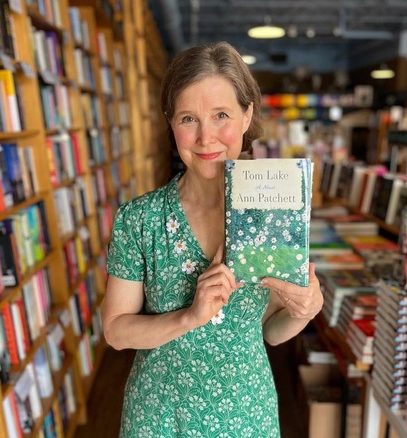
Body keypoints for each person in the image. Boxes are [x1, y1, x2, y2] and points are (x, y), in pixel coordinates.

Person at [102, 41, 324, 437]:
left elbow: (270, 330)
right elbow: (116, 330)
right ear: (171, 123)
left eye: (221, 114)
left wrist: (304, 310)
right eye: (189, 118)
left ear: (246, 115)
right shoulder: (139, 219)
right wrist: (190, 316)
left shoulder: (270, 209)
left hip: (246, 415)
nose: (206, 138)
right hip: (159, 417)